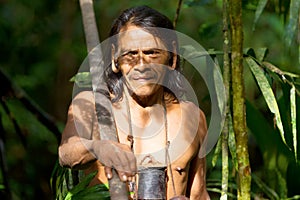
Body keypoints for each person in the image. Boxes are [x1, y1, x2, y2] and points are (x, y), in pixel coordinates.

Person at [58, 5, 210, 200]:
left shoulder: (192, 117)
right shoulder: (92, 106)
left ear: (171, 58)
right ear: (115, 58)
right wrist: (99, 147)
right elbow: (67, 153)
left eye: (152, 53)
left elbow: (199, 194)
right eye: (130, 54)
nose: (141, 66)